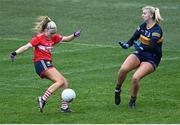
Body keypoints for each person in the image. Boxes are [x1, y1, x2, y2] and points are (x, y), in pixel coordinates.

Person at [9, 16, 82, 112]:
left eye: (54, 33)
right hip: (41, 63)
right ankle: (43, 99)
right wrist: (15, 53)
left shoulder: (53, 37)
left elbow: (66, 39)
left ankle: (64, 107)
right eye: (51, 33)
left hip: (47, 63)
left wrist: (74, 35)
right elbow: (27, 46)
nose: (53, 35)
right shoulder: (39, 38)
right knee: (59, 81)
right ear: (46, 30)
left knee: (65, 82)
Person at [115, 6, 164, 108]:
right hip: (140, 53)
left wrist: (140, 47)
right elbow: (134, 38)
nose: (142, 15)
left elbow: (152, 46)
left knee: (135, 78)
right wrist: (127, 45)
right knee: (123, 69)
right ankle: (117, 90)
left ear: (151, 15)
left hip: (152, 57)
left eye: (144, 13)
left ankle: (132, 101)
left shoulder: (157, 30)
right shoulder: (143, 26)